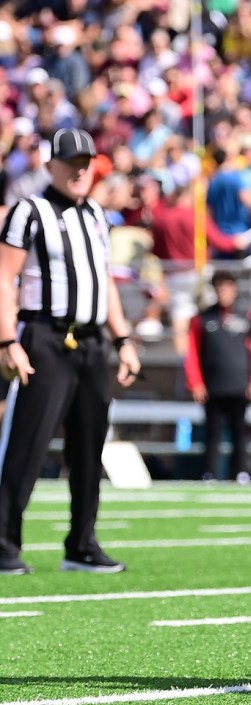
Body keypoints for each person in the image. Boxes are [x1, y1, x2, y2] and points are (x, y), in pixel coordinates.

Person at [0, 128, 141, 575]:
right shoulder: (29, 211)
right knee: (27, 442)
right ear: (50, 166)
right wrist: (7, 340)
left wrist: (124, 340)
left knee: (89, 444)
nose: (80, 170)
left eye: (86, 162)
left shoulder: (97, 213)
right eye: (71, 162)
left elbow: (103, 282)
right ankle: (3, 545)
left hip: (94, 340)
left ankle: (82, 544)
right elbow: (4, 278)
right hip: (45, 336)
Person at [184, 270, 251, 483]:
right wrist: (195, 382)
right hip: (213, 385)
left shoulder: (247, 317)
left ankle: (240, 472)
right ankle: (210, 473)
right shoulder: (202, 319)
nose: (224, 292)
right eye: (220, 287)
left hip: (240, 385)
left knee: (240, 432)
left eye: (228, 287)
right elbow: (192, 353)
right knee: (212, 432)